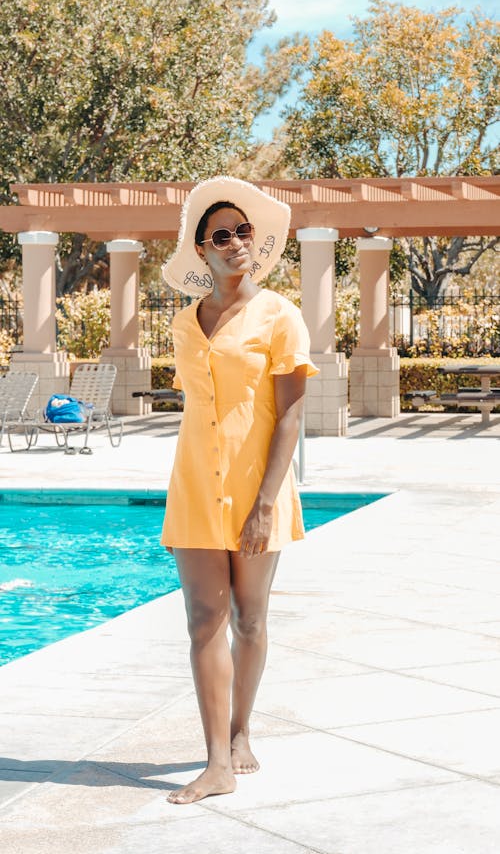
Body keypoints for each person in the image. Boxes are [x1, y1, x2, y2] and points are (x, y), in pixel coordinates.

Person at [161, 176, 318, 805]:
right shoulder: (183, 322)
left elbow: (291, 416)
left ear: (258, 241)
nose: (235, 242)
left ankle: (242, 731)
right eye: (220, 235)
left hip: (259, 491)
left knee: (249, 620)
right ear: (203, 251)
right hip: (196, 486)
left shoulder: (281, 315)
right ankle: (217, 762)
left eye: (243, 231)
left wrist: (264, 504)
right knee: (204, 618)